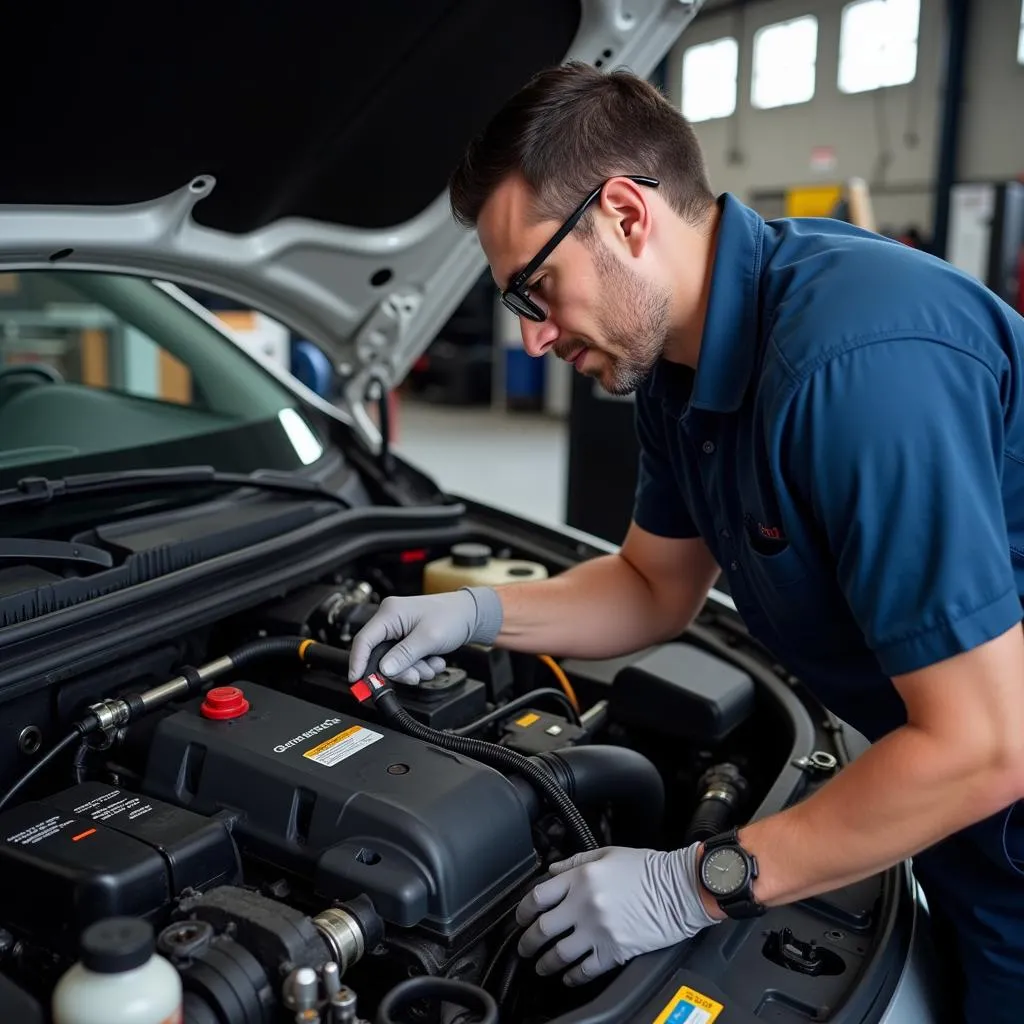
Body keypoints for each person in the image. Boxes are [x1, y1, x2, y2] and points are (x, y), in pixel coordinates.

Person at [347, 61, 1024, 1020]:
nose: (534, 339)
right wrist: (472, 614)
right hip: (952, 804)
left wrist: (690, 884)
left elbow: (985, 746)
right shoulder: (679, 365)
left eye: (535, 290)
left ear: (625, 214)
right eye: (517, 307)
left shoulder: (856, 368)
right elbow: (651, 584)